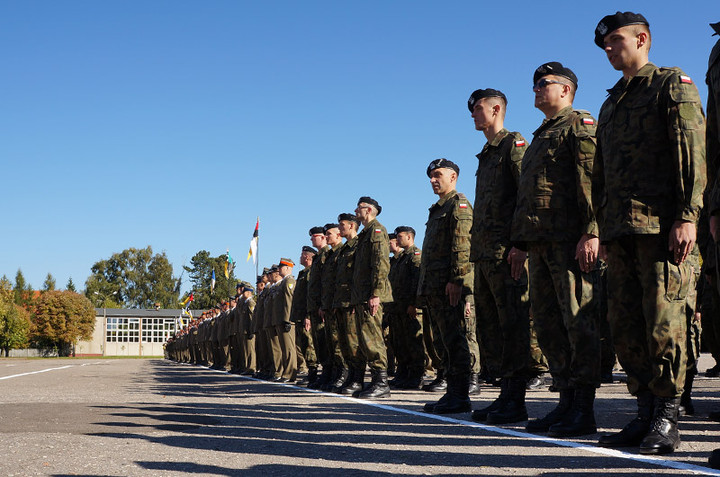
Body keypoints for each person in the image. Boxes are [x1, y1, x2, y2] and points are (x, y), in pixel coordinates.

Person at [592, 12, 706, 454]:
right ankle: (643, 413)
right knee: (626, 325)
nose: (608, 48)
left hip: (661, 227)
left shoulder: (670, 84)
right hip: (620, 231)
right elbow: (600, 174)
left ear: (642, 39)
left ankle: (667, 418)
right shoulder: (611, 101)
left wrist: (687, 215)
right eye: (604, 43)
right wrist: (600, 229)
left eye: (616, 40)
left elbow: (690, 152)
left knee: (665, 324)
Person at [512, 61, 601, 437]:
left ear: (565, 90)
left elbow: (592, 180)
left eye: (543, 83)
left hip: (569, 241)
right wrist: (519, 244)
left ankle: (583, 408)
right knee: (549, 326)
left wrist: (593, 231)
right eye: (534, 84)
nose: (535, 88)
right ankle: (565, 402)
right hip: (540, 245)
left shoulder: (578, 124)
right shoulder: (539, 136)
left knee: (579, 324)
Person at [465, 88, 532, 424]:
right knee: (492, 329)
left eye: (478, 108)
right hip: (485, 256)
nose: (474, 114)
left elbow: (526, 194)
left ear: (496, 109)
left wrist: (521, 244)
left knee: (512, 326)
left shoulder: (512, 144)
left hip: (508, 253)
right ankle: (505, 395)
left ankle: (516, 399)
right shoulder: (486, 153)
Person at [419, 159, 475, 414]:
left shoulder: (458, 205)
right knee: (443, 342)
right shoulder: (438, 209)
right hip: (435, 287)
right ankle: (452, 392)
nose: (433, 179)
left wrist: (457, 281)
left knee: (455, 340)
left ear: (453, 176)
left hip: (449, 286)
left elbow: (462, 246)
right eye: (431, 175)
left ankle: (460, 395)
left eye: (438, 174)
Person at [351, 196, 393, 399]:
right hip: (361, 296)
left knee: (373, 339)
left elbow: (380, 263)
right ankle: (376, 380)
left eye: (359, 208)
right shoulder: (365, 234)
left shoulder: (377, 230)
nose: (356, 211)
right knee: (365, 340)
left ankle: (381, 382)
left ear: (368, 210)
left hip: (371, 295)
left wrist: (376, 293)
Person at [389, 226, 425, 390]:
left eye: (400, 236)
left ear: (410, 237)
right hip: (398, 307)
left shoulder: (415, 255)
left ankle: (415, 375)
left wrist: (414, 304)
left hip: (409, 306)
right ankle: (403, 373)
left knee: (413, 342)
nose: (397, 239)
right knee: (400, 342)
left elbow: (417, 281)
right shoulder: (400, 258)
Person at [333, 213, 365, 394]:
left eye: (342, 224)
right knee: (345, 342)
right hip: (342, 301)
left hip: (352, 300)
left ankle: (358, 379)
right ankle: (351, 377)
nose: (339, 228)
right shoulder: (345, 248)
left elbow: (359, 275)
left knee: (354, 343)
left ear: (352, 225)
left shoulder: (359, 245)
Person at [307, 227, 331, 388]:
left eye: (313, 236)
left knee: (327, 342)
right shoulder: (319, 257)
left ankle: (331, 374)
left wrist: (323, 304)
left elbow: (326, 283)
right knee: (320, 343)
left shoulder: (327, 255)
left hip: (324, 306)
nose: (311, 240)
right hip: (316, 306)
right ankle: (326, 374)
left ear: (322, 237)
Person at [291, 246, 317, 382]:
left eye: (302, 255)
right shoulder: (303, 273)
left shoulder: (311, 272)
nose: (300, 257)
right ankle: (310, 370)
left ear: (307, 257)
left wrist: (308, 315)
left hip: (307, 315)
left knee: (309, 344)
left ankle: (313, 371)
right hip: (299, 314)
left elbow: (310, 296)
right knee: (302, 344)